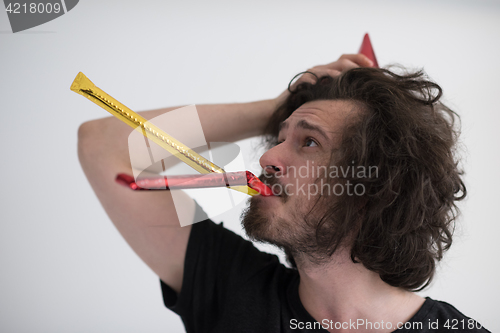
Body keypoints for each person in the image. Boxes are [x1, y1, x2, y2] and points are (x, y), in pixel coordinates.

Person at [77, 54, 490, 332]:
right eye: (277, 138)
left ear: (377, 187)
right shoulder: (232, 289)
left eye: (309, 142)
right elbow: (104, 144)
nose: (269, 156)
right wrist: (278, 107)